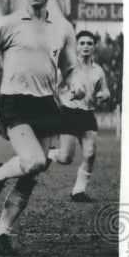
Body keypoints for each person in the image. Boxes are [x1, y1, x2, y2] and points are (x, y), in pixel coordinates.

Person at [0, 0, 83, 256]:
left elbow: (70, 68)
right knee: (32, 161)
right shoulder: (9, 24)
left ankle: (1, 234)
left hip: (45, 104)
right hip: (14, 102)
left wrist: (77, 84)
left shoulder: (63, 28)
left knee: (33, 172)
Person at [46, 30, 111, 202]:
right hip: (69, 112)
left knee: (90, 153)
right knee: (66, 158)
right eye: (82, 43)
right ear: (77, 46)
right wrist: (62, 98)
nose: (86, 47)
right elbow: (53, 86)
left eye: (89, 43)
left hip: (88, 113)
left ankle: (78, 191)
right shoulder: (69, 69)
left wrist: (104, 95)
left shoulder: (98, 70)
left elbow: (104, 90)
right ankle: (50, 155)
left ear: (94, 47)